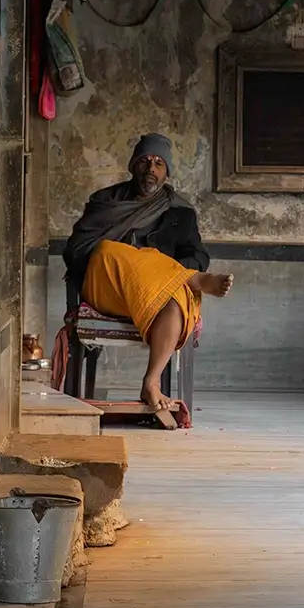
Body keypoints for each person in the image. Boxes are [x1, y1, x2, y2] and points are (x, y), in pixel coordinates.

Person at [63, 134, 233, 411]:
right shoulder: (106, 201)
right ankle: (194, 279)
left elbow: (198, 254)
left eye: (158, 163)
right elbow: (76, 250)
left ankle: (150, 382)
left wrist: (155, 269)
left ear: (166, 172)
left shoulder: (181, 212)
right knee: (108, 249)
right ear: (133, 166)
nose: (151, 168)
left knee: (175, 300)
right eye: (144, 161)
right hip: (107, 287)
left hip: (155, 293)